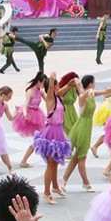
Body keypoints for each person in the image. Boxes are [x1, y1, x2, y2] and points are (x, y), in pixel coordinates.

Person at [33, 71, 72, 204]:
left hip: (59, 131)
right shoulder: (50, 97)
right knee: (50, 164)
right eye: (57, 85)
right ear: (53, 86)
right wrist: (52, 78)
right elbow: (50, 89)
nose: (59, 86)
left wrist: (72, 82)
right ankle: (46, 192)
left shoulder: (58, 97)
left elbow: (66, 87)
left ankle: (55, 187)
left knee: (55, 162)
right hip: (51, 132)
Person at [62, 74, 97, 191]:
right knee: (82, 158)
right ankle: (86, 183)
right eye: (94, 82)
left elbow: (104, 91)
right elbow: (82, 92)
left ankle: (64, 179)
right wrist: (78, 83)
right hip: (82, 127)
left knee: (76, 157)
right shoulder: (83, 97)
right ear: (91, 84)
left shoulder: (92, 94)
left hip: (86, 127)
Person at [12, 72, 48, 168]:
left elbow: (48, 99)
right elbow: (26, 105)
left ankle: (24, 161)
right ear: (39, 82)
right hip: (30, 115)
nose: (44, 85)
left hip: (38, 114)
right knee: (40, 137)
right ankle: (24, 161)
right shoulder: (30, 91)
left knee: (42, 137)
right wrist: (24, 114)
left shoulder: (40, 90)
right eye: (44, 83)